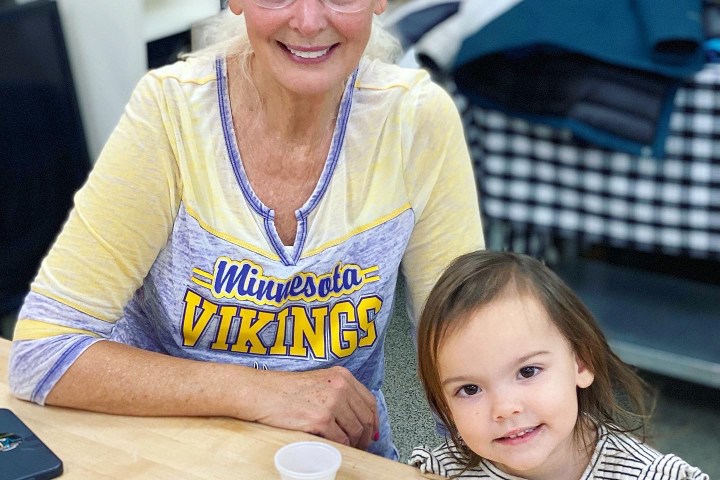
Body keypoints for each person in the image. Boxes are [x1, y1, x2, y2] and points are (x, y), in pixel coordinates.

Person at [7, 0, 484, 460]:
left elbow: (478, 357)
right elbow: (44, 351)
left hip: (338, 459)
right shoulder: (172, 112)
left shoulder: (417, 120)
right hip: (171, 454)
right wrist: (262, 392)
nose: (308, 20)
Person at [409, 250, 709, 479]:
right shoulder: (444, 470)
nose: (504, 408)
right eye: (469, 389)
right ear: (443, 404)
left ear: (581, 362)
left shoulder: (643, 473)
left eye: (528, 371)